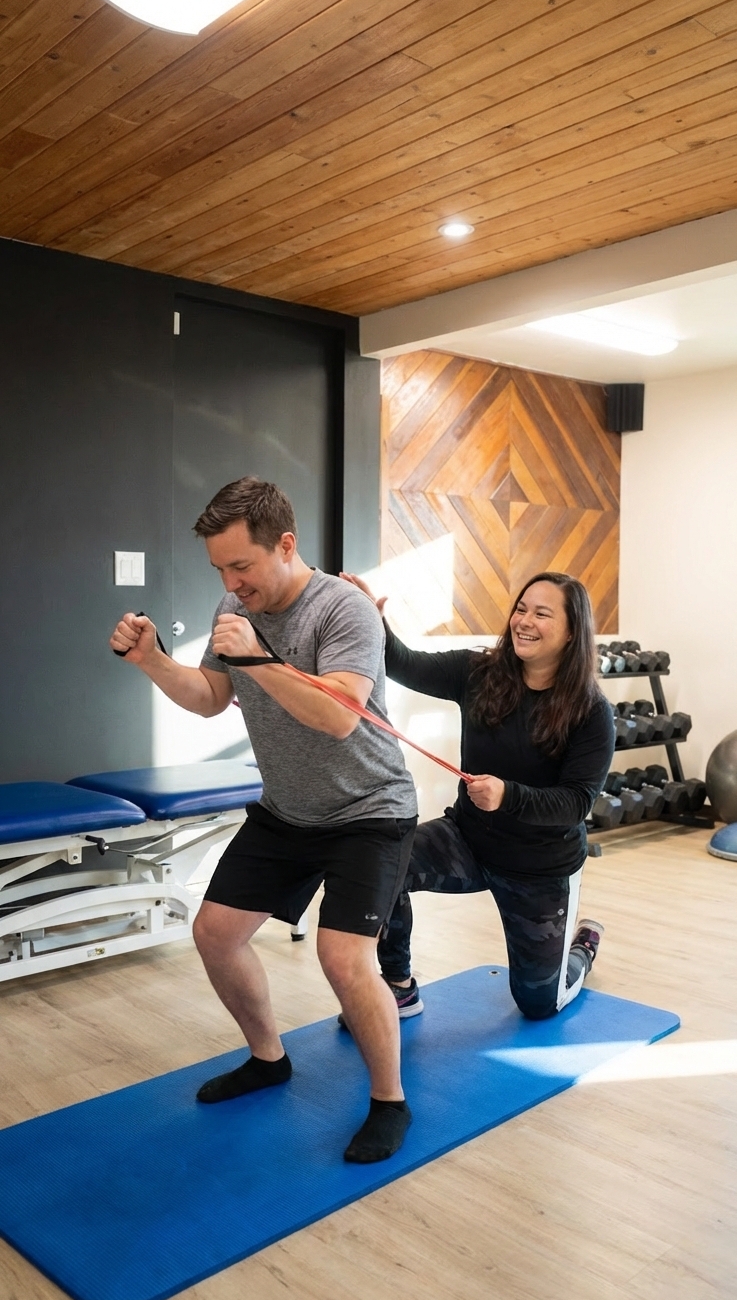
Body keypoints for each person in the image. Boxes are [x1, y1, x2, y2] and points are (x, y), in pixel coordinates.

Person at [110, 478, 418, 1164]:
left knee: (342, 958)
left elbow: (338, 715)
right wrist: (153, 661)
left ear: (286, 544)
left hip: (371, 809)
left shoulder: (344, 611)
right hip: (288, 809)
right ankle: (267, 1058)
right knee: (215, 934)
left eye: (240, 565)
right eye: (219, 569)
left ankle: (390, 1101)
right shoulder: (234, 606)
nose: (230, 582)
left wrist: (261, 657)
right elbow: (213, 696)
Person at [340, 570, 615, 1023]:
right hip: (467, 840)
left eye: (542, 614)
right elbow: (403, 662)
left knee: (538, 1005)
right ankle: (399, 986)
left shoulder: (590, 710)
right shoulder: (478, 672)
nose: (524, 621)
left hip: (539, 868)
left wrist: (509, 795)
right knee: (382, 865)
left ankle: (582, 949)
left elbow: (576, 803)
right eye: (521, 609)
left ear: (571, 633)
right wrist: (373, 621)